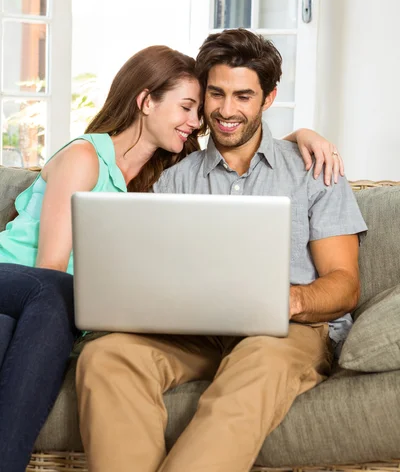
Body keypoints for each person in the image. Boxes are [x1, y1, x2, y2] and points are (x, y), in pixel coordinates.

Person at [0, 42, 338, 472]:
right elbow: (49, 271)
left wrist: (296, 139)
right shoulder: (85, 156)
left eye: (198, 110)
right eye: (189, 107)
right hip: (22, 285)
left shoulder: (158, 181)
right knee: (59, 295)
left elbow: (243, 146)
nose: (198, 121)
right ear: (145, 101)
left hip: (34, 311)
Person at [76, 29, 367, 472]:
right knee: (105, 355)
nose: (226, 110)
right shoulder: (175, 177)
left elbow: (345, 287)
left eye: (243, 96)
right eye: (216, 93)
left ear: (268, 99)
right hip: (197, 334)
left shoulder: (314, 170)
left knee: (260, 359)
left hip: (283, 334)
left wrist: (288, 300)